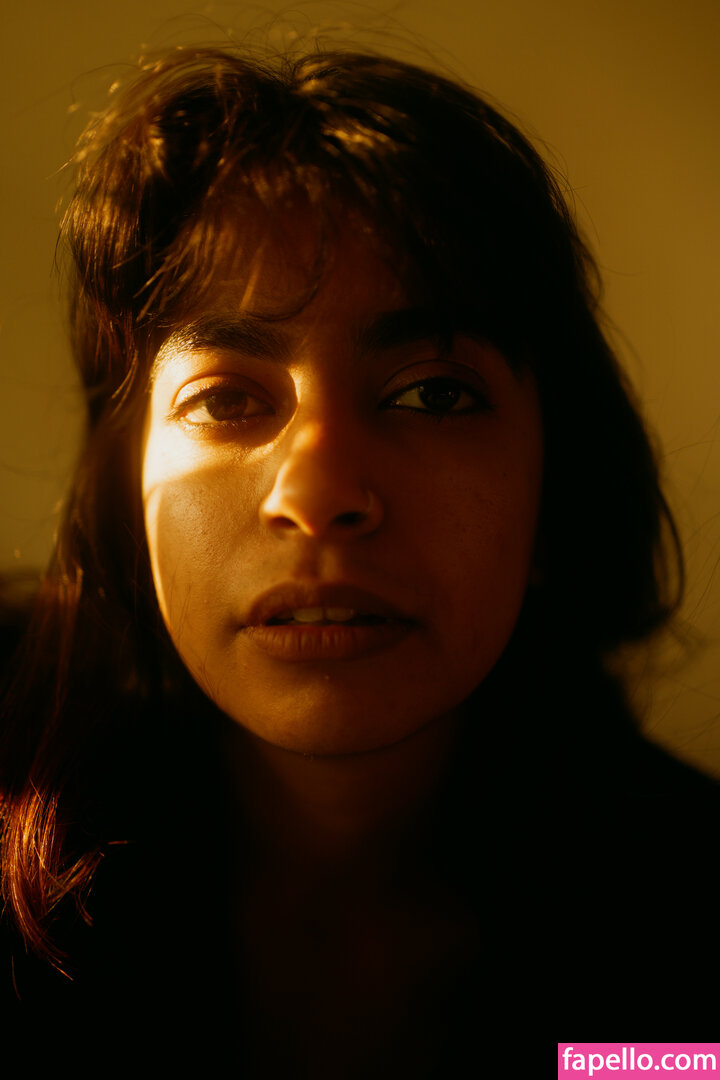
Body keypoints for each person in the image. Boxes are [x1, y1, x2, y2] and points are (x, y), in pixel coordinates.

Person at [1, 45, 717, 1071]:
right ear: (125, 498)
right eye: (226, 399)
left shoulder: (687, 932)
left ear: (555, 488)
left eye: (433, 393)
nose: (320, 493)